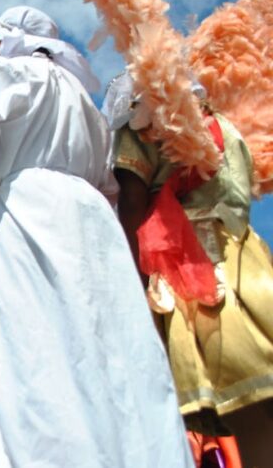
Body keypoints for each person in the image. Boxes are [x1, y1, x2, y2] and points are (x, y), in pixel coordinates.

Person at [0, 6, 192, 467]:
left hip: (26, 209)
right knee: (105, 350)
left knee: (35, 348)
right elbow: (110, 183)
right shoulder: (85, 104)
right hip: (92, 223)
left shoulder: (2, 71)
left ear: (8, 39)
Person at [112, 75, 273, 468]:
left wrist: (133, 282)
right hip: (247, 256)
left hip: (190, 261)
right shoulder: (225, 123)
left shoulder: (145, 123)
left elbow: (133, 201)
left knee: (242, 393)